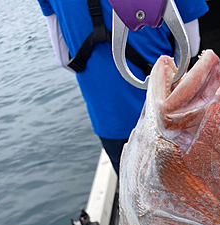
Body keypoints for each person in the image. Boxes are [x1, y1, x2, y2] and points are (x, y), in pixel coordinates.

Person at [37, 0, 209, 174]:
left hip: (110, 119)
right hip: (171, 117)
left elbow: (65, 60)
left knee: (136, 195)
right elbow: (190, 46)